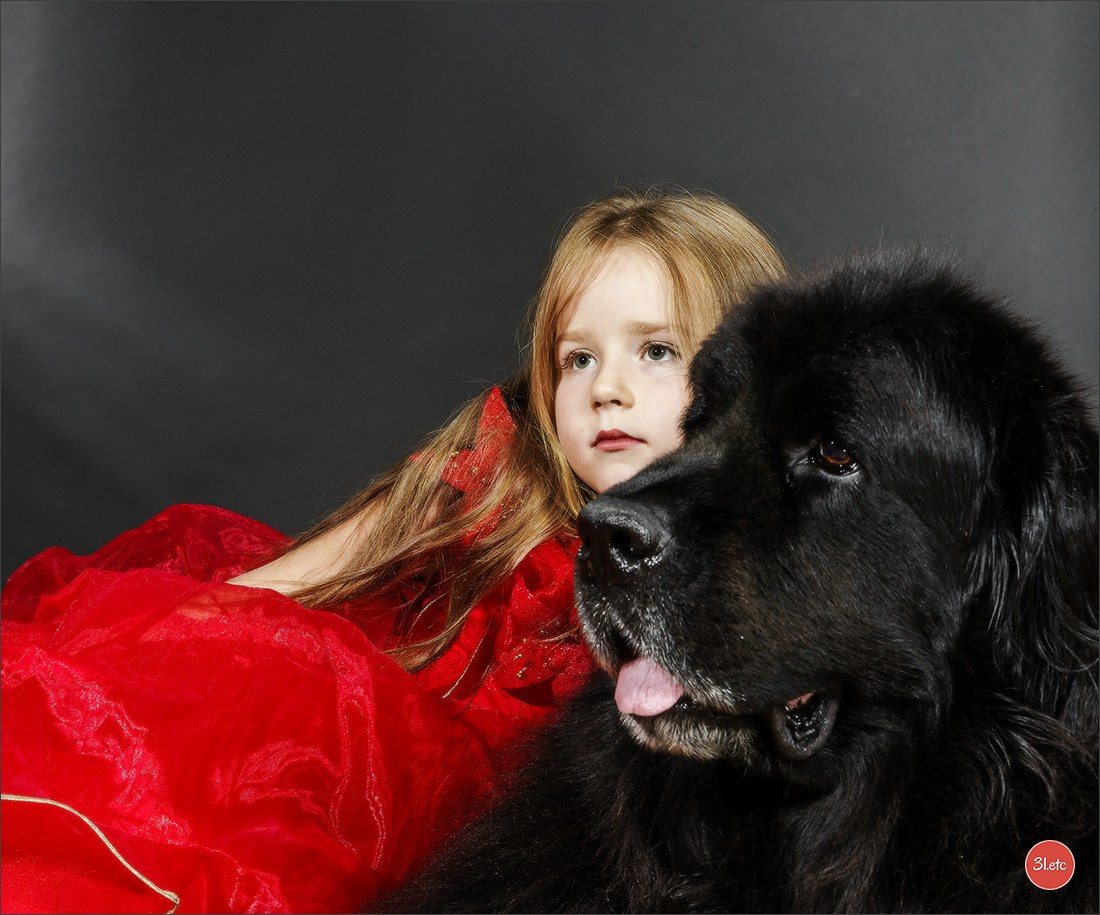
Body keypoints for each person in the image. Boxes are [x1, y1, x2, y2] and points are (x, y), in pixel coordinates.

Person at [0, 187, 786, 914]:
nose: (606, 388)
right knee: (200, 760)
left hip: (514, 850)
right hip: (362, 776)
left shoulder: (770, 564)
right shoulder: (498, 477)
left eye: (656, 351)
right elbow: (291, 583)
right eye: (577, 358)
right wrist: (150, 648)